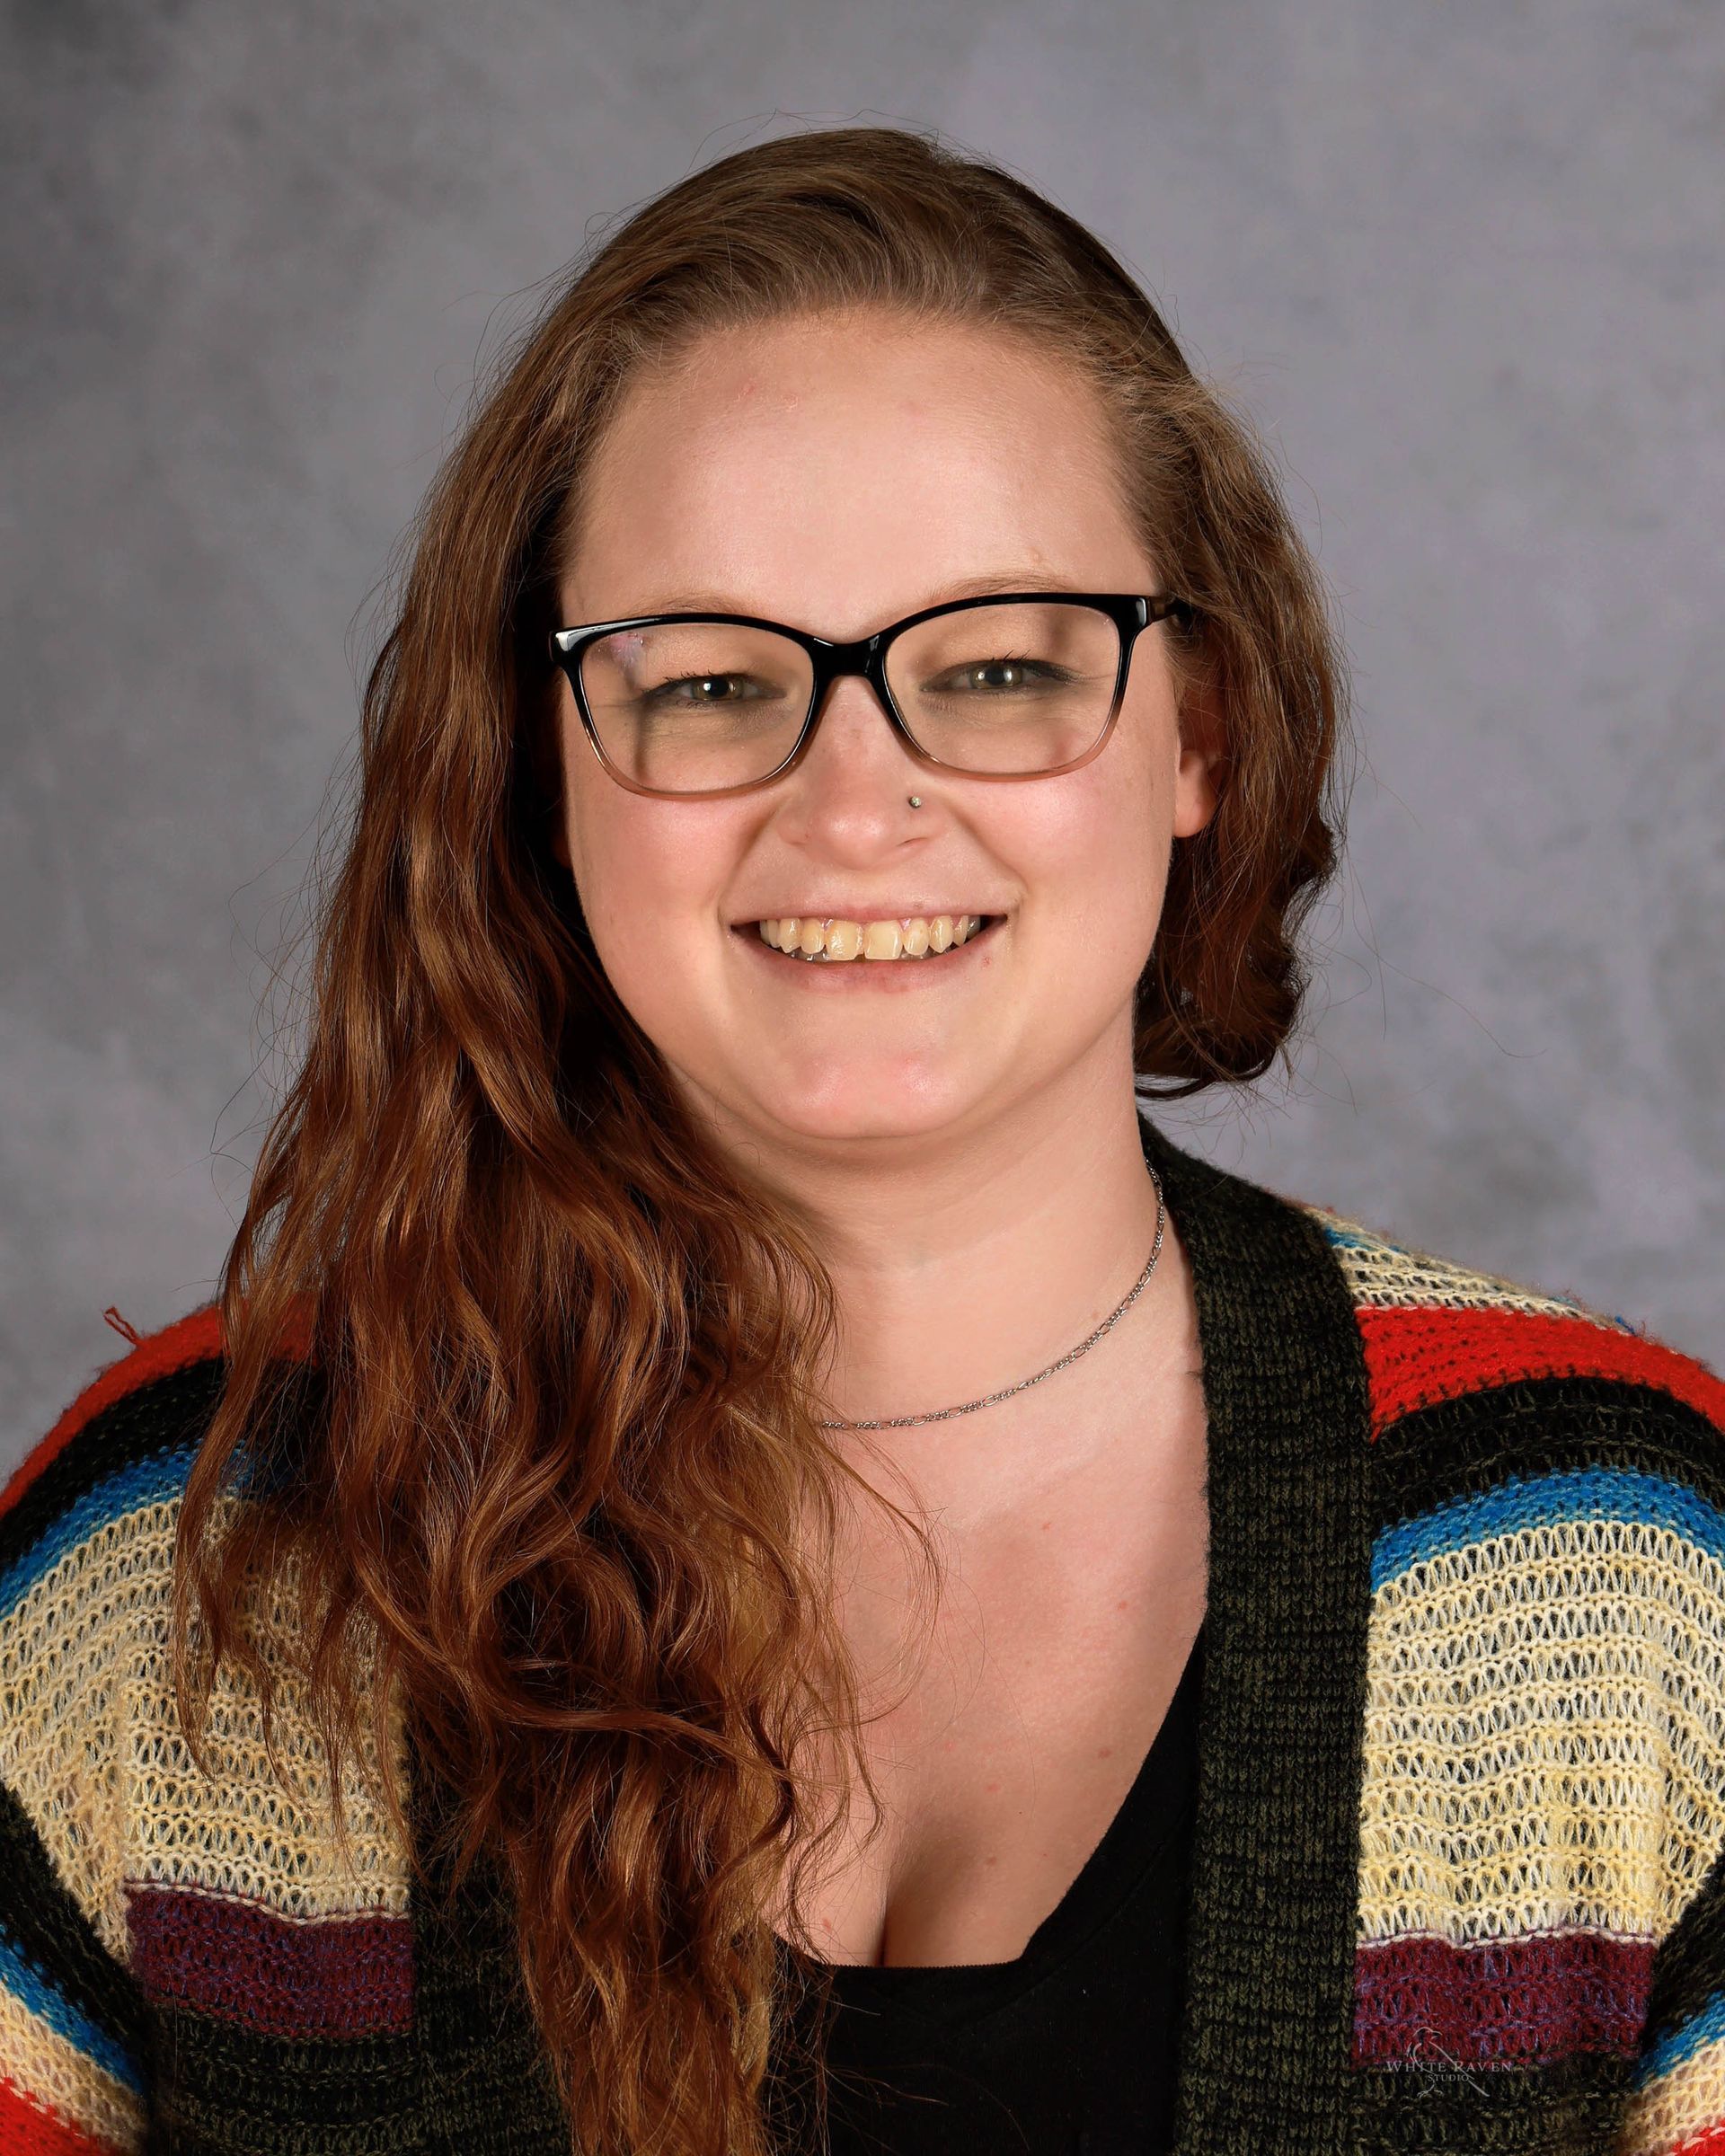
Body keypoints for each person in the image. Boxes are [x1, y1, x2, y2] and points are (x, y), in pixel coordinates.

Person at [2, 126, 1721, 2156]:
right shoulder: (186, 1553)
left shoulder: (1625, 1580)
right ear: (542, 759)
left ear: (1200, 733)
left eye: (995, 667)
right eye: (711, 681)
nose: (851, 801)